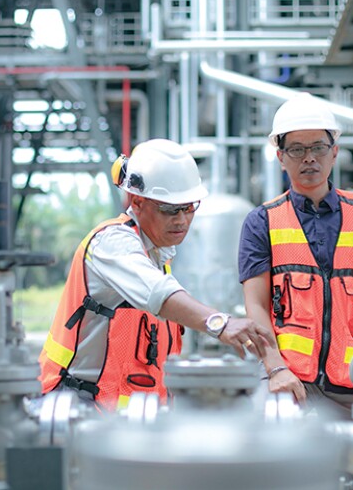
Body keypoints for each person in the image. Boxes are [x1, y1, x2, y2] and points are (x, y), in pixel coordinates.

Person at [38, 138, 274, 411]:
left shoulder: (157, 254)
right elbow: (158, 293)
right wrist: (219, 323)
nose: (182, 220)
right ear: (137, 202)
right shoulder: (112, 243)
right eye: (170, 209)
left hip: (123, 415)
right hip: (75, 407)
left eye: (189, 207)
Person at [238, 92, 353, 422]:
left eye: (318, 147)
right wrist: (275, 368)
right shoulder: (262, 221)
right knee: (285, 471)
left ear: (335, 153)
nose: (309, 158)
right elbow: (255, 305)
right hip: (289, 382)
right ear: (281, 157)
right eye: (297, 149)